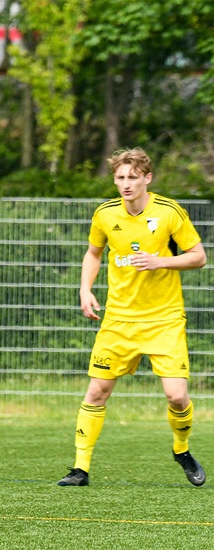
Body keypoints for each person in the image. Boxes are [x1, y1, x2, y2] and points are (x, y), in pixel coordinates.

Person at [58, 148, 206, 487]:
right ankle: (80, 469)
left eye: (133, 177)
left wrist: (160, 261)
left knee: (177, 397)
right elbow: (93, 253)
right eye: (120, 178)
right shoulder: (105, 214)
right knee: (97, 392)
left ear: (147, 178)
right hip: (119, 320)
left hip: (164, 319)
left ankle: (181, 450)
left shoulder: (169, 212)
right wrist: (85, 290)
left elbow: (198, 256)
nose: (126, 184)